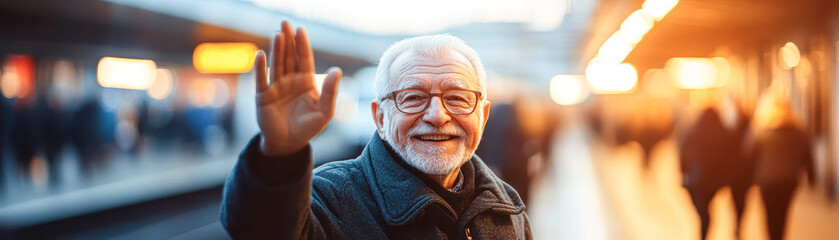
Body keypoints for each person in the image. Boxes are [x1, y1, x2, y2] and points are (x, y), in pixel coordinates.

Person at [220, 21, 531, 239]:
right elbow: (259, 230)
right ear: (380, 118)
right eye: (413, 98)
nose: (437, 115)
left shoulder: (506, 205)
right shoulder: (328, 199)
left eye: (457, 98)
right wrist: (279, 154)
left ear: (484, 115)